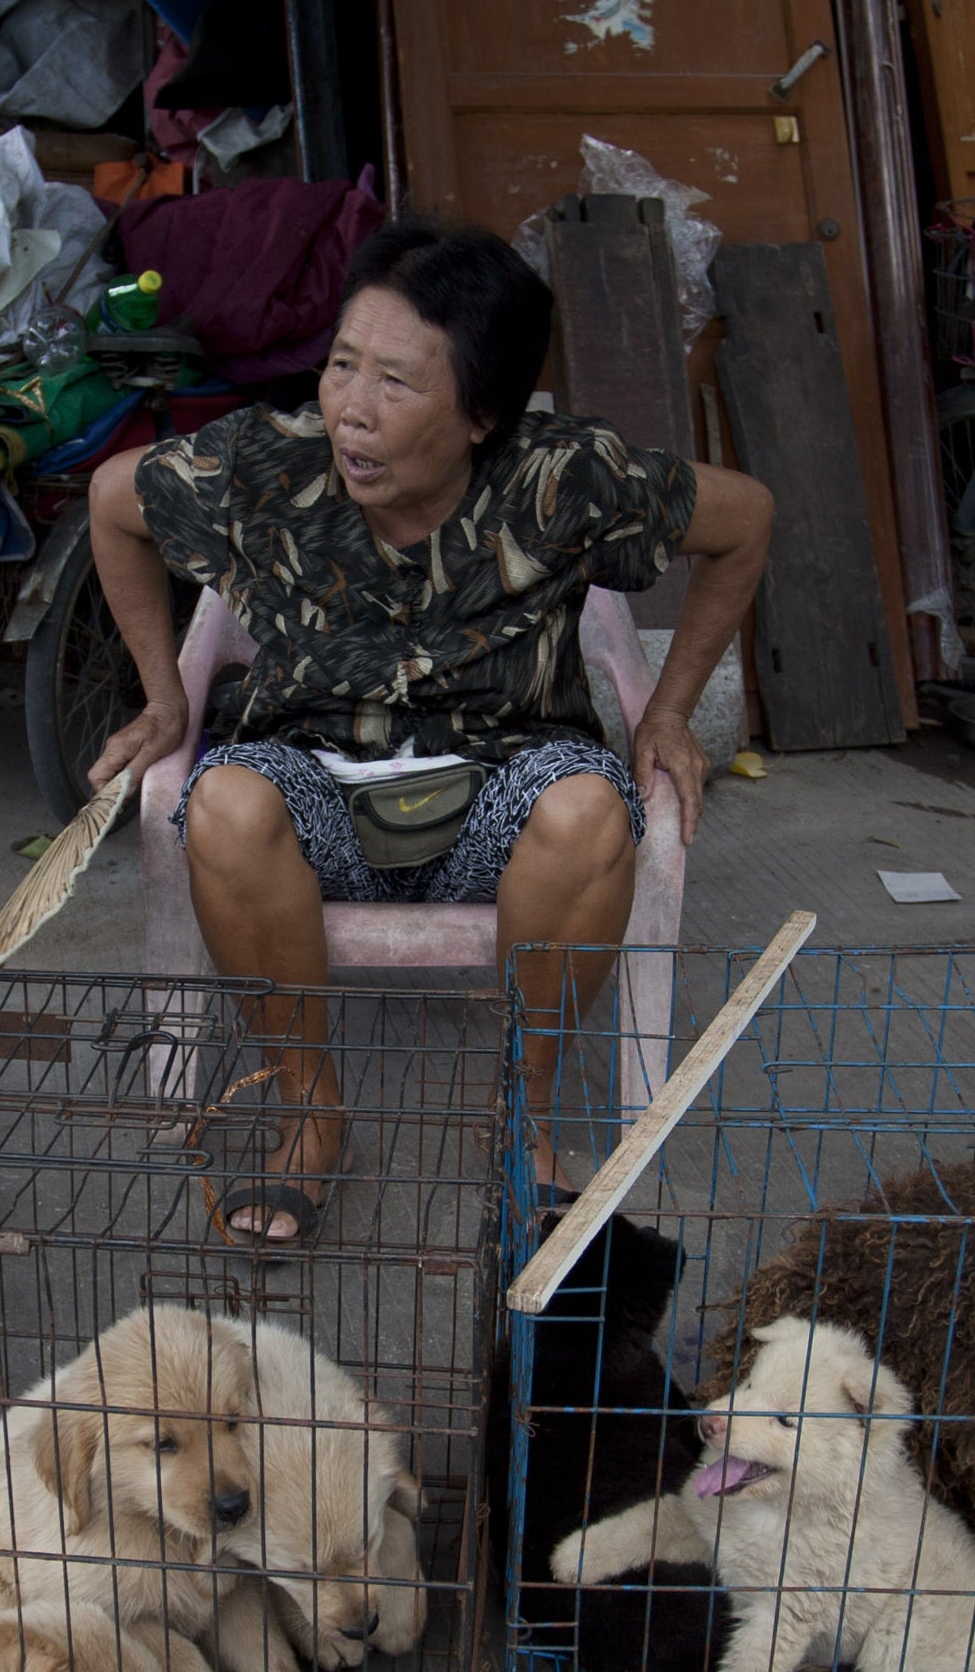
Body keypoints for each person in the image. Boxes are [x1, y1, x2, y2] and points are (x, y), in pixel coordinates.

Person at [83, 219, 774, 1240]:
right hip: (314, 791)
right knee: (221, 803)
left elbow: (746, 518)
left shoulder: (560, 479)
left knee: (590, 812)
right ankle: (311, 1119)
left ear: (482, 414)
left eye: (396, 385)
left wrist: (668, 709)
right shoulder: (271, 468)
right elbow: (111, 502)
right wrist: (165, 697)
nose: (351, 411)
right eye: (341, 367)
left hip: (503, 792)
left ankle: (526, 1120)